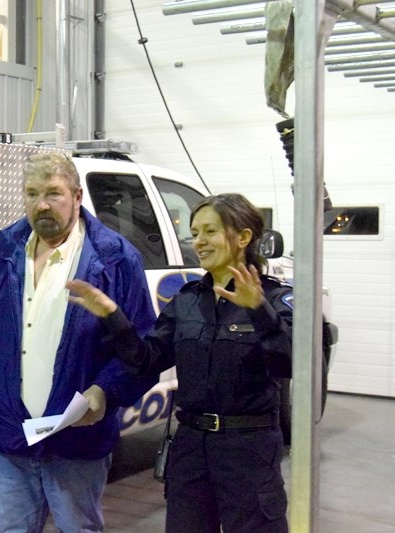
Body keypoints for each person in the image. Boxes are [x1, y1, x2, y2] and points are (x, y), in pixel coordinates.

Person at [0, 151, 156, 532]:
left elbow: (141, 348)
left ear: (77, 197)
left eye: (53, 193)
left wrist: (105, 391)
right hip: (9, 439)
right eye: (31, 194)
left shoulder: (114, 259)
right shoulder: (0, 251)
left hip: (76, 442)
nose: (41, 204)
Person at [67, 193, 293, 533]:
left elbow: (289, 365)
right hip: (190, 449)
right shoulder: (187, 301)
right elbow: (146, 361)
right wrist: (113, 317)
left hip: (248, 450)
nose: (198, 242)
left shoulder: (277, 299)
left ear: (244, 237)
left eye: (210, 232)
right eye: (195, 232)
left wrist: (259, 310)